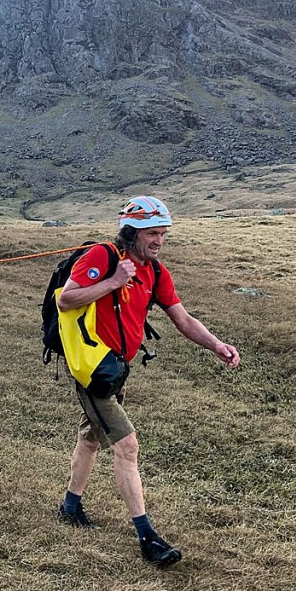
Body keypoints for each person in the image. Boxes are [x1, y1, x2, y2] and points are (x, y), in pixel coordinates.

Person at [55, 196, 240, 568]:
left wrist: (216, 345)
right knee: (127, 446)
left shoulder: (155, 271)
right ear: (132, 232)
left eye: (162, 234)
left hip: (117, 368)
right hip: (92, 368)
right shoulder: (103, 257)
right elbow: (67, 300)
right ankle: (148, 538)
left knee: (90, 438)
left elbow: (182, 319)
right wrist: (113, 281)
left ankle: (69, 507)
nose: (158, 241)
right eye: (152, 233)